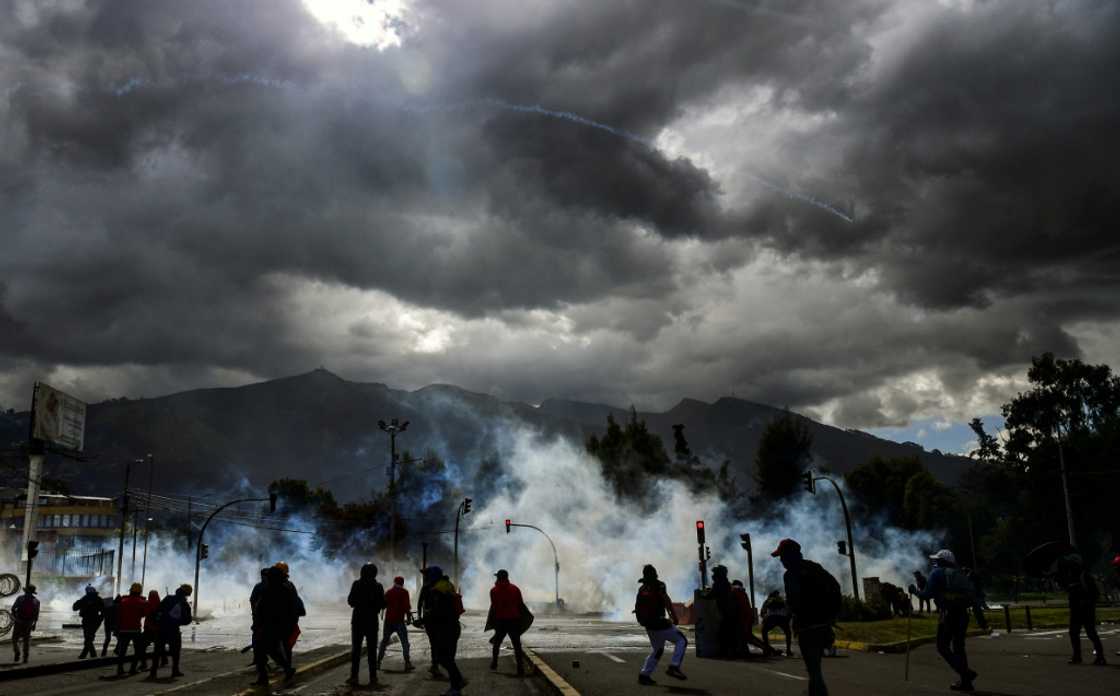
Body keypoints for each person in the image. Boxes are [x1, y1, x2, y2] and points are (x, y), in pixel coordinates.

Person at [772, 538, 840, 696]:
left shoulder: (790, 574)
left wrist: (790, 616)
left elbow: (793, 601)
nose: (781, 560)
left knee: (814, 671)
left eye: (782, 556)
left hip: (807, 628)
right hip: (824, 626)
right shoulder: (814, 567)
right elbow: (835, 587)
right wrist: (832, 615)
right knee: (815, 669)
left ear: (790, 555)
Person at [910, 549, 979, 691]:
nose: (935, 562)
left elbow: (926, 595)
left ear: (942, 561)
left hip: (948, 615)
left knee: (942, 646)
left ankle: (965, 673)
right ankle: (966, 683)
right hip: (963, 614)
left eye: (937, 560)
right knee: (959, 647)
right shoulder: (960, 573)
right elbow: (972, 595)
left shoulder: (937, 573)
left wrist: (914, 591)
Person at [634, 564, 688, 686]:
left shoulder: (642, 589)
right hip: (660, 623)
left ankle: (644, 675)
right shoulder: (660, 585)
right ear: (655, 573)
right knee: (682, 640)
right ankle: (674, 666)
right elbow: (666, 601)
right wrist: (674, 617)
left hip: (648, 625)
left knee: (657, 649)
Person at [422, 566, 466, 696]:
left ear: (433, 576)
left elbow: (438, 611)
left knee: (442, 657)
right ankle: (455, 689)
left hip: (445, 629)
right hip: (453, 627)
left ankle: (458, 681)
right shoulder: (448, 585)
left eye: (428, 575)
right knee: (449, 658)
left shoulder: (436, 591)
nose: (426, 578)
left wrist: (424, 619)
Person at [1057, 554, 1106, 666]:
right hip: (1075, 610)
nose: (1070, 567)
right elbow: (1070, 591)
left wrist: (1086, 601)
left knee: (1091, 633)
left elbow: (1095, 594)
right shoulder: (1070, 577)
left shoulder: (1085, 577)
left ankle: (1100, 657)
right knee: (1073, 633)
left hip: (1086, 610)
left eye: (1073, 564)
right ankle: (1077, 656)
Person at [251, 566, 297, 686]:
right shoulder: (284, 589)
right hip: (279, 627)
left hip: (269, 627)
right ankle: (287, 669)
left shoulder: (270, 590)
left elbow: (260, 609)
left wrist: (257, 624)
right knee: (272, 651)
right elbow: (292, 609)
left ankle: (264, 678)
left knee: (261, 652)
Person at [347, 562, 386, 687]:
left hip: (358, 620)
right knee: (371, 651)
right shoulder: (378, 586)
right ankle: (373, 678)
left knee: (356, 651)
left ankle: (354, 677)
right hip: (371, 622)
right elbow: (383, 604)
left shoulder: (356, 584)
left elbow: (350, 601)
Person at [148, 584, 192, 680]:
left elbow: (157, 611)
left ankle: (153, 672)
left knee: (157, 651)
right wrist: (178, 621)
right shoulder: (184, 604)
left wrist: (157, 623)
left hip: (161, 629)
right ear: (187, 594)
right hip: (173, 630)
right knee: (175, 651)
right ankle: (175, 670)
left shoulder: (168, 598)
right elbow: (187, 620)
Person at [488, 569, 527, 676]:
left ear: (499, 578)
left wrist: (493, 622)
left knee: (497, 643)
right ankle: (520, 668)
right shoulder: (515, 589)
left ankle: (494, 663)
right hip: (514, 620)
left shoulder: (493, 591)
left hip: (500, 620)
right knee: (517, 645)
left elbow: (494, 607)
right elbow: (520, 604)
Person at [731, 579, 776, 657]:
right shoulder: (741, 591)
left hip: (743, 616)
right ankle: (769, 649)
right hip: (747, 616)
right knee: (748, 636)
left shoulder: (736, 590)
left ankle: (766, 649)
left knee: (748, 636)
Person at [273, 562, 305, 669]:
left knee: (278, 644)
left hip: (282, 620)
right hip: (289, 620)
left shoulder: (279, 586)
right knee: (286, 645)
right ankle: (287, 666)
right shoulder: (289, 585)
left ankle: (286, 667)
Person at [379, 575, 413, 671]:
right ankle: (407, 663)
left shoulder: (389, 592)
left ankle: (378, 662)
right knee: (405, 642)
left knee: (384, 641)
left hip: (389, 620)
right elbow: (407, 607)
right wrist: (409, 618)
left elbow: (383, 605)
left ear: (394, 582)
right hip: (399, 621)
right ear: (402, 583)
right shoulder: (404, 592)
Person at [115, 583, 151, 676]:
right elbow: (144, 614)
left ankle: (120, 669)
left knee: (122, 651)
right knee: (138, 650)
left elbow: (118, 615)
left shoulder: (123, 601)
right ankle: (132, 669)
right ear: (140, 592)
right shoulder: (142, 602)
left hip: (123, 629)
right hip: (135, 629)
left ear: (130, 591)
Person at [416, 568, 443, 678]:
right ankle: (435, 665)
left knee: (434, 644)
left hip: (430, 621)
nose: (424, 577)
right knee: (438, 644)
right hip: (441, 621)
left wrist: (419, 618)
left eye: (426, 575)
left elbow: (419, 604)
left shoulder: (426, 587)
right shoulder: (444, 586)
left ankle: (435, 665)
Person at [73, 585, 105, 659]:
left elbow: (74, 607)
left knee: (88, 639)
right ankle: (92, 654)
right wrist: (100, 619)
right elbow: (104, 611)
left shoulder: (85, 599)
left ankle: (85, 655)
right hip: (94, 622)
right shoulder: (98, 599)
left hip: (89, 621)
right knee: (89, 638)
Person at [10, 584, 39, 664]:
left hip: (19, 621)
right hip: (29, 622)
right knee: (26, 640)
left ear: (26, 591)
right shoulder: (36, 601)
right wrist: (34, 624)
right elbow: (36, 614)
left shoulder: (20, 598)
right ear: (33, 592)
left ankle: (17, 651)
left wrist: (15, 617)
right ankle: (25, 658)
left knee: (15, 639)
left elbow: (13, 608)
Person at [761, 590, 793, 656]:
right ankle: (788, 650)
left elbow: (763, 611)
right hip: (782, 618)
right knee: (788, 633)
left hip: (771, 618)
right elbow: (789, 610)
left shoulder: (768, 600)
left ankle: (766, 649)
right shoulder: (782, 600)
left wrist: (764, 618)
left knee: (764, 631)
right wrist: (787, 619)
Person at [137, 589, 161, 671]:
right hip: (157, 630)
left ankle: (144, 664)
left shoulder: (147, 604)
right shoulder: (161, 605)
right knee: (158, 647)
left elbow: (142, 613)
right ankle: (162, 661)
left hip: (148, 629)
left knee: (142, 647)